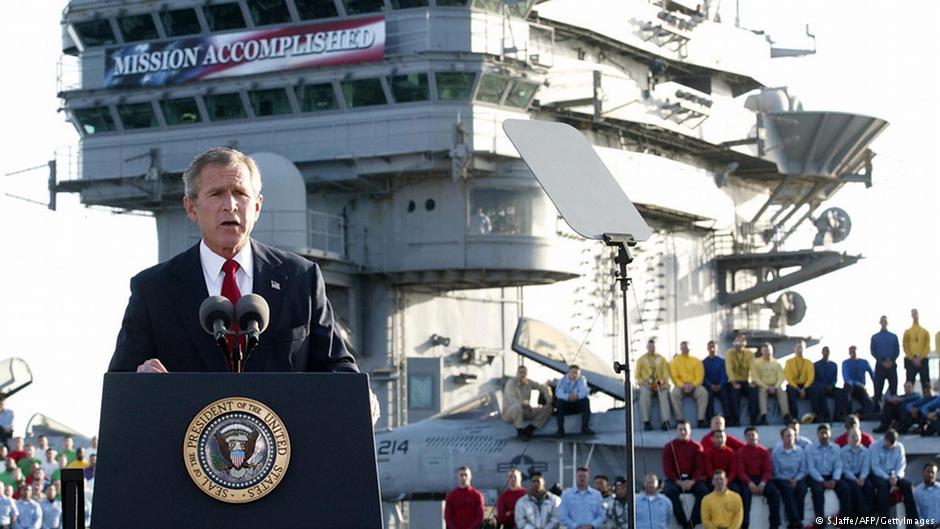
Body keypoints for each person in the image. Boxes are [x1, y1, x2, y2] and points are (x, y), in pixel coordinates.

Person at [108, 147, 360, 375]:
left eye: (240, 193)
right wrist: (140, 380)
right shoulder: (154, 289)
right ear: (191, 208)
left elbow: (338, 367)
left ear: (257, 206)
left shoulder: (300, 278)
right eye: (216, 194)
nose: (230, 205)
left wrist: (357, 396)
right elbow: (121, 385)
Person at [662, 420, 708, 529]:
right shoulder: (669, 447)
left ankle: (693, 522)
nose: (683, 432)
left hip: (692, 479)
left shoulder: (697, 447)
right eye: (680, 429)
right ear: (676, 431)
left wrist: (693, 481)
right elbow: (667, 469)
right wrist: (678, 482)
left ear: (690, 431)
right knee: (670, 492)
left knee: (703, 491)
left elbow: (699, 468)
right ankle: (683, 523)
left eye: (685, 430)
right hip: (675, 480)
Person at [734, 427, 780, 529]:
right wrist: (750, 483)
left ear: (757, 436)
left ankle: (774, 524)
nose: (751, 437)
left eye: (753, 435)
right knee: (744, 495)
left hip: (761, 478)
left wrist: (763, 483)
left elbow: (768, 470)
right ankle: (744, 524)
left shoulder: (764, 451)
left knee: (775, 493)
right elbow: (740, 472)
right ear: (745, 438)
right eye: (748, 435)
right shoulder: (741, 452)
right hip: (747, 479)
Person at [804, 424, 849, 526]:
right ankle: (820, 524)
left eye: (826, 433)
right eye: (821, 433)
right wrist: (822, 481)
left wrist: (835, 479)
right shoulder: (810, 449)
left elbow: (838, 465)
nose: (824, 435)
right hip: (816, 477)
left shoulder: (836, 448)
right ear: (817, 434)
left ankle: (845, 523)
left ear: (830, 433)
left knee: (846, 489)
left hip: (832, 476)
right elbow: (811, 468)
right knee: (817, 492)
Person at [868, 429, 917, 519]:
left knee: (907, 485)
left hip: (895, 475)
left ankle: (912, 519)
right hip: (880, 475)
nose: (890, 447)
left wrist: (896, 477)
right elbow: (874, 467)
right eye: (889, 445)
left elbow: (901, 465)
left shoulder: (899, 447)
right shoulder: (874, 447)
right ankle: (885, 520)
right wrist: (887, 478)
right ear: (885, 440)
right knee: (883, 487)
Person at [503, 365, 554, 439]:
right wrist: (523, 404)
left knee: (549, 409)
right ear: (517, 373)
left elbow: (544, 387)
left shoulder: (528, 382)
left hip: (526, 410)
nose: (522, 375)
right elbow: (511, 398)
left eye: (524, 373)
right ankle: (519, 430)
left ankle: (530, 428)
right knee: (517, 407)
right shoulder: (510, 383)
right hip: (510, 412)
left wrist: (548, 400)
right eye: (520, 372)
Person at [771, 427, 807, 529]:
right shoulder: (776, 452)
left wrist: (796, 479)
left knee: (802, 489)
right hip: (782, 479)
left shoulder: (800, 451)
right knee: (787, 489)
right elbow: (776, 472)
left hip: (797, 478)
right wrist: (788, 480)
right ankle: (795, 519)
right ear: (782, 438)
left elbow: (803, 469)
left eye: (792, 435)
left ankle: (797, 519)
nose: (790, 438)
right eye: (788, 436)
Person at [669, 341, 709, 428]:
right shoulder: (675, 362)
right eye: (683, 348)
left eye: (686, 347)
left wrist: (692, 385)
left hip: (694, 386)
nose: (685, 349)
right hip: (681, 386)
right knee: (674, 394)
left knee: (703, 392)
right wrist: (683, 385)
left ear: (690, 349)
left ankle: (701, 419)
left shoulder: (696, 361)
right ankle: (679, 420)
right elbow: (674, 377)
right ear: (680, 349)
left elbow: (700, 376)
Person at [636, 339, 672, 431]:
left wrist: (661, 383)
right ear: (647, 347)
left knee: (663, 395)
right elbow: (637, 375)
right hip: (646, 384)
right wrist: (645, 383)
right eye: (650, 347)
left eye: (653, 347)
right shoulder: (641, 360)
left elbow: (666, 374)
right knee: (644, 396)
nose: (652, 348)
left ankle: (665, 421)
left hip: (659, 384)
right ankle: (646, 421)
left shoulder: (662, 359)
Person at [750, 344, 789, 425]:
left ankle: (786, 415)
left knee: (782, 391)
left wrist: (776, 387)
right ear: (762, 352)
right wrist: (766, 387)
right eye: (765, 351)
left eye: (769, 350)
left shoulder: (777, 363)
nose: (767, 352)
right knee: (762, 393)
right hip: (763, 385)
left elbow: (781, 377)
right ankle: (763, 416)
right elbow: (755, 377)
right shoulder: (756, 363)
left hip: (775, 386)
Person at [839, 428, 873, 518]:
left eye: (857, 436)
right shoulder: (843, 451)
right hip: (849, 476)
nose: (855, 438)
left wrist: (862, 477)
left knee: (869, 486)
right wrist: (855, 479)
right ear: (848, 438)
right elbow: (845, 469)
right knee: (854, 487)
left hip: (861, 475)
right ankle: (864, 512)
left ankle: (868, 514)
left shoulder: (866, 451)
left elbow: (866, 467)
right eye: (852, 436)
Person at [554, 365, 593, 437]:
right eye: (573, 372)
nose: (575, 375)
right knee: (559, 402)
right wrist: (568, 396)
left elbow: (584, 392)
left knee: (586, 401)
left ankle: (585, 428)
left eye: (577, 373)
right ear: (569, 372)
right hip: (566, 405)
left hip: (577, 404)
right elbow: (558, 393)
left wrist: (577, 396)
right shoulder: (562, 381)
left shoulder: (582, 379)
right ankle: (560, 430)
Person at [725, 334, 755, 427]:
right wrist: (733, 382)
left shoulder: (749, 353)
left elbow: (753, 367)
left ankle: (753, 417)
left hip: (745, 380)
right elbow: (729, 368)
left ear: (744, 343)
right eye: (736, 342)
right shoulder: (729, 353)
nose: (737, 344)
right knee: (734, 394)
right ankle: (735, 418)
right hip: (734, 381)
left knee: (753, 392)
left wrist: (752, 381)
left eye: (740, 342)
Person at [871, 315, 900, 408]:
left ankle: (894, 410)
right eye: (882, 321)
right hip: (880, 365)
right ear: (880, 323)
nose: (884, 323)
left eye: (885, 321)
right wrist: (881, 362)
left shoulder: (894, 336)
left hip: (892, 365)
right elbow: (873, 351)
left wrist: (892, 361)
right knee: (878, 389)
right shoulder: (875, 337)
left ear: (887, 323)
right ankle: (876, 409)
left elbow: (897, 350)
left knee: (893, 390)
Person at [808, 346, 843, 423]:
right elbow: (814, 379)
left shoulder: (834, 365)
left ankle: (838, 415)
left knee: (840, 393)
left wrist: (832, 385)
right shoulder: (816, 365)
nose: (826, 353)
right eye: (825, 351)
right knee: (817, 391)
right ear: (822, 352)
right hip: (819, 387)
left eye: (827, 351)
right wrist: (823, 386)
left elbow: (835, 378)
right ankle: (821, 415)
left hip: (830, 387)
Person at [784, 340, 814, 422]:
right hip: (794, 386)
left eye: (801, 347)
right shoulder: (789, 362)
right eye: (798, 347)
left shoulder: (809, 362)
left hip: (805, 386)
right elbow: (788, 378)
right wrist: (797, 389)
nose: (800, 349)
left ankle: (816, 414)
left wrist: (804, 388)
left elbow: (810, 377)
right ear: (794, 349)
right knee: (790, 391)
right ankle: (794, 416)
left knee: (816, 390)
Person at [903, 309, 931, 397]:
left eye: (916, 314)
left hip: (923, 360)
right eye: (913, 314)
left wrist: (920, 358)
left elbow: (927, 346)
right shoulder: (907, 332)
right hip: (910, 360)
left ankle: (927, 400)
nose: (915, 316)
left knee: (925, 382)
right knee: (909, 382)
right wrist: (912, 357)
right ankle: (908, 400)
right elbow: (905, 345)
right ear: (911, 316)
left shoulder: (925, 331)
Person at [703, 341, 733, 422]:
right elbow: (704, 377)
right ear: (707, 348)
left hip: (721, 385)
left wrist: (720, 384)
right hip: (709, 386)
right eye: (710, 347)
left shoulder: (722, 361)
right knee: (709, 395)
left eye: (714, 347)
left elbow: (724, 375)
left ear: (717, 348)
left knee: (725, 395)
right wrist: (710, 385)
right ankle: (710, 418)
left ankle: (728, 417)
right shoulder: (704, 362)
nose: (712, 349)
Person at [841, 346, 874, 415]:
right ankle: (847, 413)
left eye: (854, 351)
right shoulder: (845, 363)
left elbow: (873, 375)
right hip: (850, 388)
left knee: (869, 404)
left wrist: (878, 387)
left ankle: (860, 413)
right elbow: (846, 378)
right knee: (847, 386)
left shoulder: (864, 362)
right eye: (851, 352)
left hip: (860, 389)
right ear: (849, 353)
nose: (853, 353)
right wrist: (858, 384)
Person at [914, 463, 939, 529]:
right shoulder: (917, 491)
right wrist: (922, 524)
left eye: (932, 472)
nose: (930, 474)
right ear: (923, 473)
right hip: (925, 527)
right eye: (928, 472)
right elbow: (916, 510)